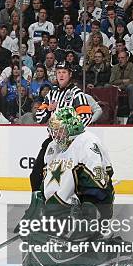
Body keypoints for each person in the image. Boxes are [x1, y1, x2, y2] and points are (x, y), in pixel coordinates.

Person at [20, 107, 133, 266]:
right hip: (62, 212)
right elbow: (46, 184)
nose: (55, 135)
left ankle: (107, 245)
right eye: (54, 131)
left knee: (71, 234)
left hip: (86, 209)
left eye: (59, 130)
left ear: (71, 127)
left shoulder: (88, 144)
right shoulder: (53, 147)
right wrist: (36, 207)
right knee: (36, 235)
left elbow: (99, 187)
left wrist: (88, 211)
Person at [30, 63, 92, 191]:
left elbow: (86, 116)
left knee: (69, 179)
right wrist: (48, 110)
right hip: (53, 141)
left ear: (70, 75)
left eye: (64, 72)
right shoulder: (51, 94)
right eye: (59, 72)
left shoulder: (77, 94)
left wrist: (68, 130)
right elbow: (39, 117)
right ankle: (37, 206)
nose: (61, 75)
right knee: (36, 174)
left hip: (72, 143)